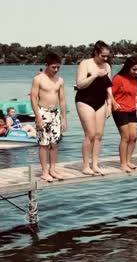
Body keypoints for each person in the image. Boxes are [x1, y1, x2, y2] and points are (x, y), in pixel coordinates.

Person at [75, 40, 113, 176]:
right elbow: (79, 84)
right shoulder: (85, 63)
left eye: (107, 56)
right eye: (103, 56)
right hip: (85, 100)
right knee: (90, 134)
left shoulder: (107, 66)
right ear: (96, 53)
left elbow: (108, 86)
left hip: (101, 100)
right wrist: (96, 75)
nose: (105, 58)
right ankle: (85, 165)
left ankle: (95, 164)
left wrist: (110, 103)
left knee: (99, 135)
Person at [30, 52, 67, 182]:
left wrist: (64, 118)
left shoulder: (60, 80)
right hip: (42, 112)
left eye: (58, 67)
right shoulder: (38, 79)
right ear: (47, 65)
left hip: (55, 113)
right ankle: (44, 172)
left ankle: (53, 169)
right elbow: (33, 99)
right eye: (53, 67)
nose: (56, 70)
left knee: (55, 143)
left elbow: (62, 99)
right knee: (44, 144)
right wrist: (38, 117)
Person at [111, 57, 137, 173]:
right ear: (128, 68)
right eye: (134, 70)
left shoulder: (135, 80)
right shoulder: (118, 78)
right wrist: (114, 104)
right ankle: (122, 163)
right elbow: (109, 94)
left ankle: (128, 161)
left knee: (133, 136)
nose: (136, 72)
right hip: (120, 110)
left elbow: (134, 96)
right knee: (125, 137)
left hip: (132, 110)